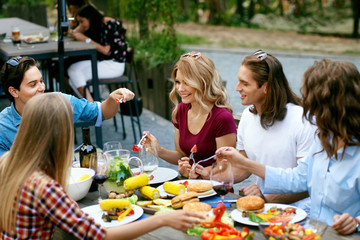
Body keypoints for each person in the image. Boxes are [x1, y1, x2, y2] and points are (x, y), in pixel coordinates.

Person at [0, 93, 203, 239]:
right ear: (61, 136)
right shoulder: (45, 188)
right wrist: (163, 220)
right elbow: (99, 235)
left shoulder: (8, 162)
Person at [216, 59, 360, 235]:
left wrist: (356, 222)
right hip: (311, 233)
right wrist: (244, 163)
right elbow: (296, 178)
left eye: (312, 102)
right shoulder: (322, 141)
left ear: (330, 106)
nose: (307, 108)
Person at [0, 56, 134, 156]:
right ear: (14, 91)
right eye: (32, 84)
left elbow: (103, 112)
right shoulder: (2, 127)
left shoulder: (60, 101)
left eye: (41, 81)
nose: (41, 88)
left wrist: (112, 98)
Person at [233, 50, 316, 212]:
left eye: (244, 83)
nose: (237, 88)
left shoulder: (302, 120)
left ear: (266, 86)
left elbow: (308, 182)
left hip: (301, 211)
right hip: (262, 206)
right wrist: (205, 175)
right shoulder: (247, 116)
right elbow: (243, 166)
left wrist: (266, 198)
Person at [143, 52, 237, 179]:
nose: (180, 88)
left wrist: (197, 172)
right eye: (177, 82)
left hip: (216, 188)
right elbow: (182, 155)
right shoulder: (179, 110)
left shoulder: (222, 118)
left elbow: (225, 165)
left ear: (203, 82)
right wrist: (159, 150)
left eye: (186, 82)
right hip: (189, 184)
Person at [67, 4, 127, 101]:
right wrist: (79, 27)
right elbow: (72, 34)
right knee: (72, 70)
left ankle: (93, 108)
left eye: (82, 21)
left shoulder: (110, 24)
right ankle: (92, 106)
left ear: (90, 18)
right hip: (103, 62)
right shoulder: (97, 24)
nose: (80, 24)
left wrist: (86, 39)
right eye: (79, 22)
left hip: (114, 65)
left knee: (74, 74)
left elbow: (106, 50)